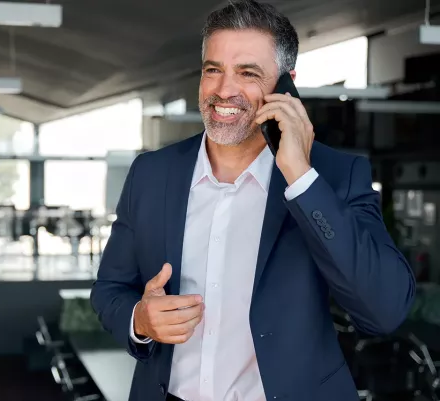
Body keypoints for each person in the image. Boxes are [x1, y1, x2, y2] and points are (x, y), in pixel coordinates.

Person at [90, 0, 416, 400]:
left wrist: (301, 177)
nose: (224, 90)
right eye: (213, 70)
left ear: (286, 85)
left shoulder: (334, 176)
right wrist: (140, 319)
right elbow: (109, 289)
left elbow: (384, 310)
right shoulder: (152, 173)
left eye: (248, 73)